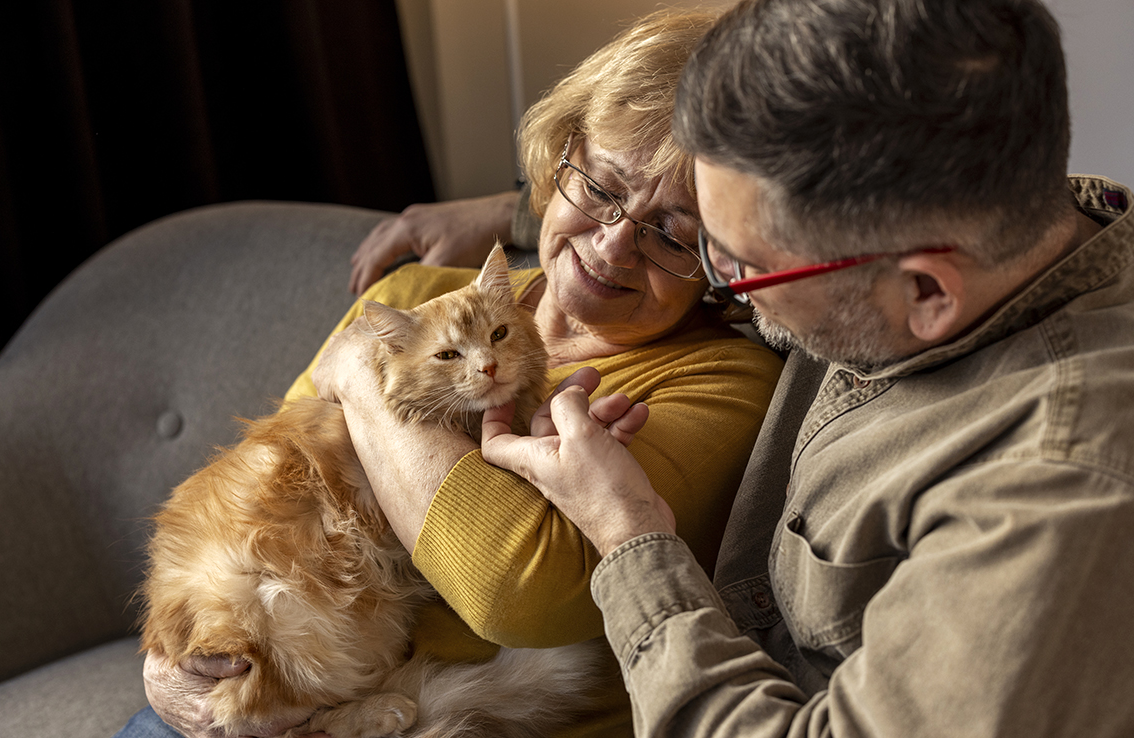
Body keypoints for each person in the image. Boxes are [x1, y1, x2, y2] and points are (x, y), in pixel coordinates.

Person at [471, 0, 1134, 735]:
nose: (718, 284)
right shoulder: (979, 219)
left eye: (738, 265)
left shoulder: (1058, 489)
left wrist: (627, 530)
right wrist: (514, 213)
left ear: (924, 294)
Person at [122, 7, 784, 738]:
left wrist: (364, 387)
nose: (613, 245)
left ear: (726, 257)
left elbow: (517, 591)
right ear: (559, 166)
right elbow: (263, 501)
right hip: (274, 693)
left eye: (671, 234)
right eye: (599, 190)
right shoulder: (408, 298)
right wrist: (171, 660)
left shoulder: (726, 382)